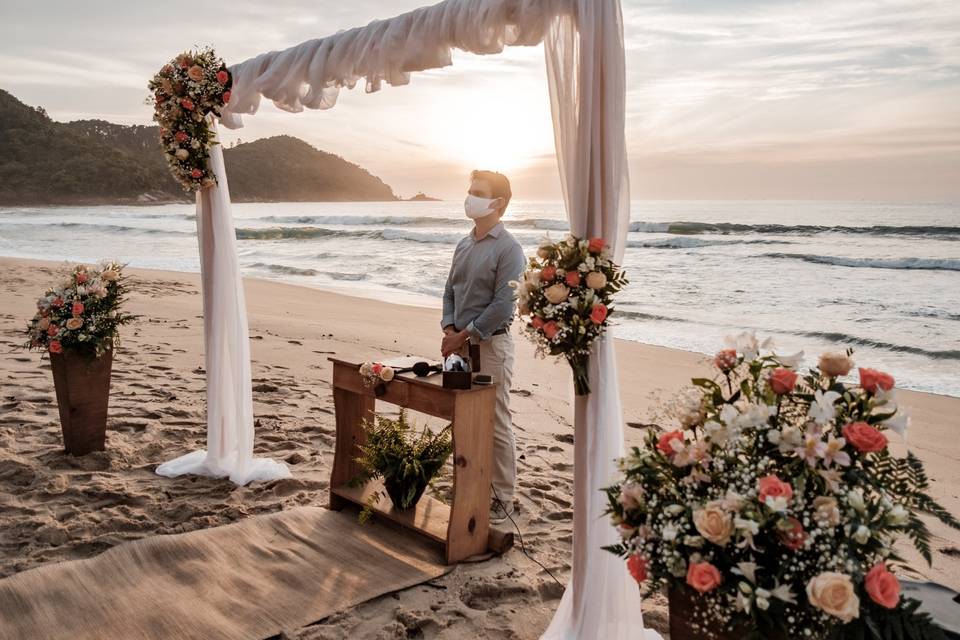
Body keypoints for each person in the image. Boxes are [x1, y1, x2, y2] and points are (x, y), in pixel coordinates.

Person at [441, 170, 525, 525]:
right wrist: (448, 326)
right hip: (458, 346)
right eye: (470, 190)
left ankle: (502, 495)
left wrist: (463, 335)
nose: (469, 197)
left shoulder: (510, 249)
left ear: (498, 203)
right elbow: (450, 290)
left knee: (496, 419)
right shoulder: (464, 244)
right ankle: (471, 480)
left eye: (477, 192)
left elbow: (505, 304)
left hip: (490, 346)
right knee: (465, 416)